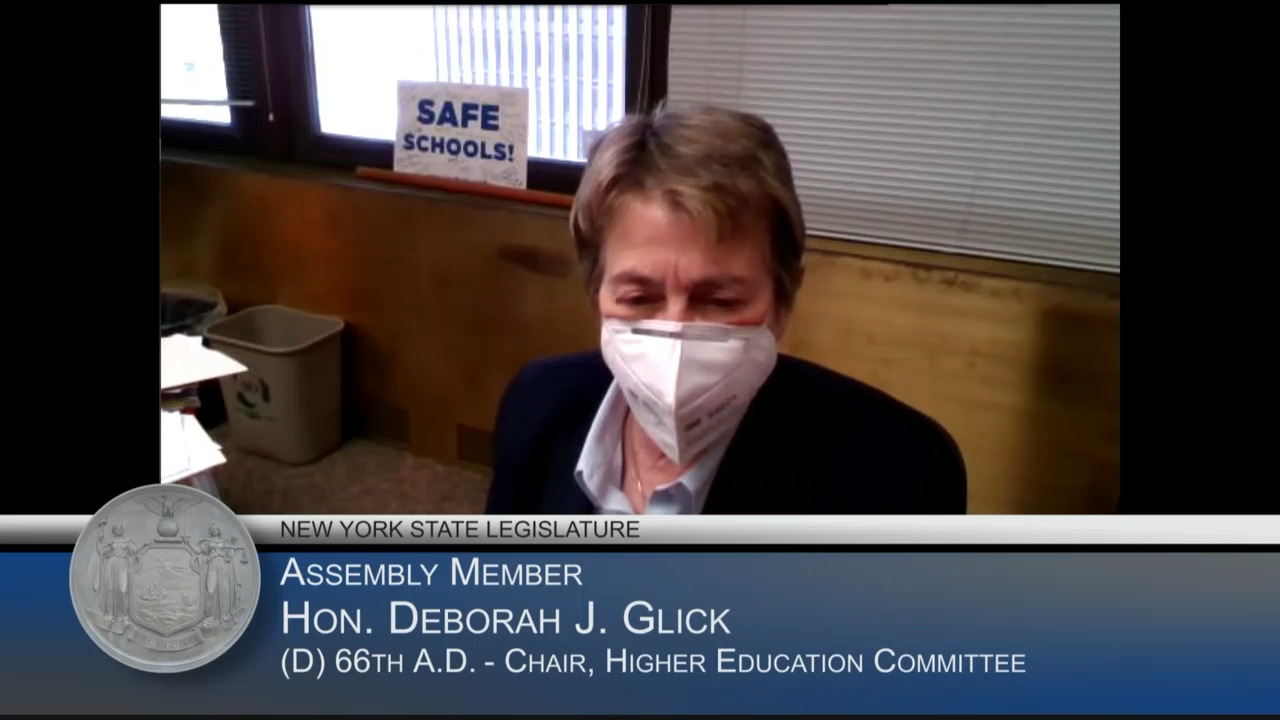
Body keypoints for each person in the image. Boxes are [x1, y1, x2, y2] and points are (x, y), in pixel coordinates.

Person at [486, 105, 966, 515]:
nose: (674, 333)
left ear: (783, 300)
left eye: (719, 300)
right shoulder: (537, 405)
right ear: (597, 295)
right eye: (639, 298)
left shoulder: (900, 474)